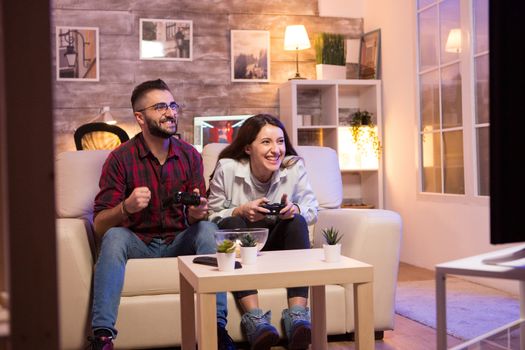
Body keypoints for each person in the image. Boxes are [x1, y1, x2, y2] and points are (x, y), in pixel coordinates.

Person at [87, 79, 235, 350]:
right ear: (140, 117)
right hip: (138, 243)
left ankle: (216, 329)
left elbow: (196, 218)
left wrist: (197, 213)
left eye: (172, 105)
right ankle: (102, 338)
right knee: (114, 237)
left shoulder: (190, 155)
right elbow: (98, 225)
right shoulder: (120, 159)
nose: (171, 113)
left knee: (208, 230)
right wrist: (125, 208)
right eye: (160, 107)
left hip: (179, 241)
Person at [207, 114, 319, 350]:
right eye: (266, 142)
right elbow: (211, 215)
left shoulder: (294, 166)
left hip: (279, 241)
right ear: (248, 147)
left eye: (280, 142)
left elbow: (312, 209)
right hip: (243, 244)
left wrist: (294, 208)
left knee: (297, 222)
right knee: (230, 224)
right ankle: (256, 321)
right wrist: (240, 209)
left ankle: (298, 317)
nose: (276, 150)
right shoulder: (228, 168)